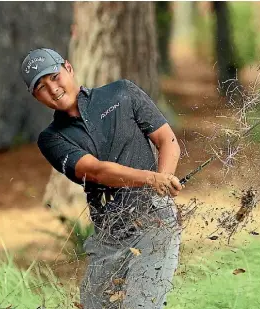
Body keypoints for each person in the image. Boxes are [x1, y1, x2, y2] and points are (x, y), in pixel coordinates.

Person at [20, 48, 183, 309]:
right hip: (109, 235)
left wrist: (163, 182)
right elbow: (95, 171)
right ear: (35, 96)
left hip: (155, 223)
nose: (52, 88)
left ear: (68, 68)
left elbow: (167, 140)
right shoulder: (52, 139)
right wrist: (153, 179)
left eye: (54, 76)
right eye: (40, 86)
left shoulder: (122, 93)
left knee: (142, 305)